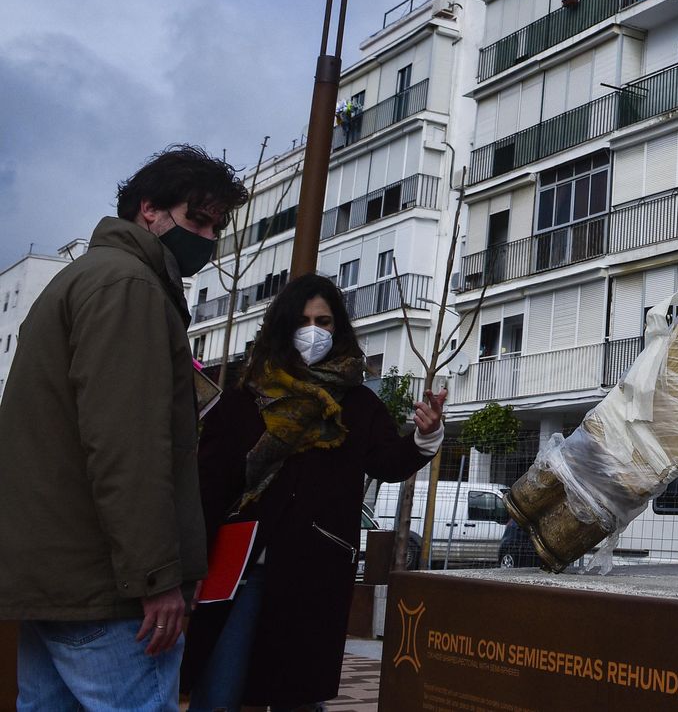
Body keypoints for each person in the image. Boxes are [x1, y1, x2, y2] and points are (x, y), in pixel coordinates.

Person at [0, 145, 249, 710]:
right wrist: (156, 578)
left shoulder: (84, 279)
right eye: (196, 219)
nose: (207, 238)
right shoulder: (130, 287)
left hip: (55, 580)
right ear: (148, 209)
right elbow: (128, 446)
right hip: (108, 589)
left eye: (216, 227)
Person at [181, 274, 445, 711]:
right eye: (303, 321)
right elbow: (208, 486)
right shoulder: (245, 398)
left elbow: (387, 462)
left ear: (337, 328)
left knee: (298, 696)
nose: (313, 331)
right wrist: (190, 565)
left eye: (323, 322)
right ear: (283, 326)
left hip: (314, 571)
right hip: (240, 570)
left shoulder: (358, 403)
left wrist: (426, 435)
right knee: (219, 693)